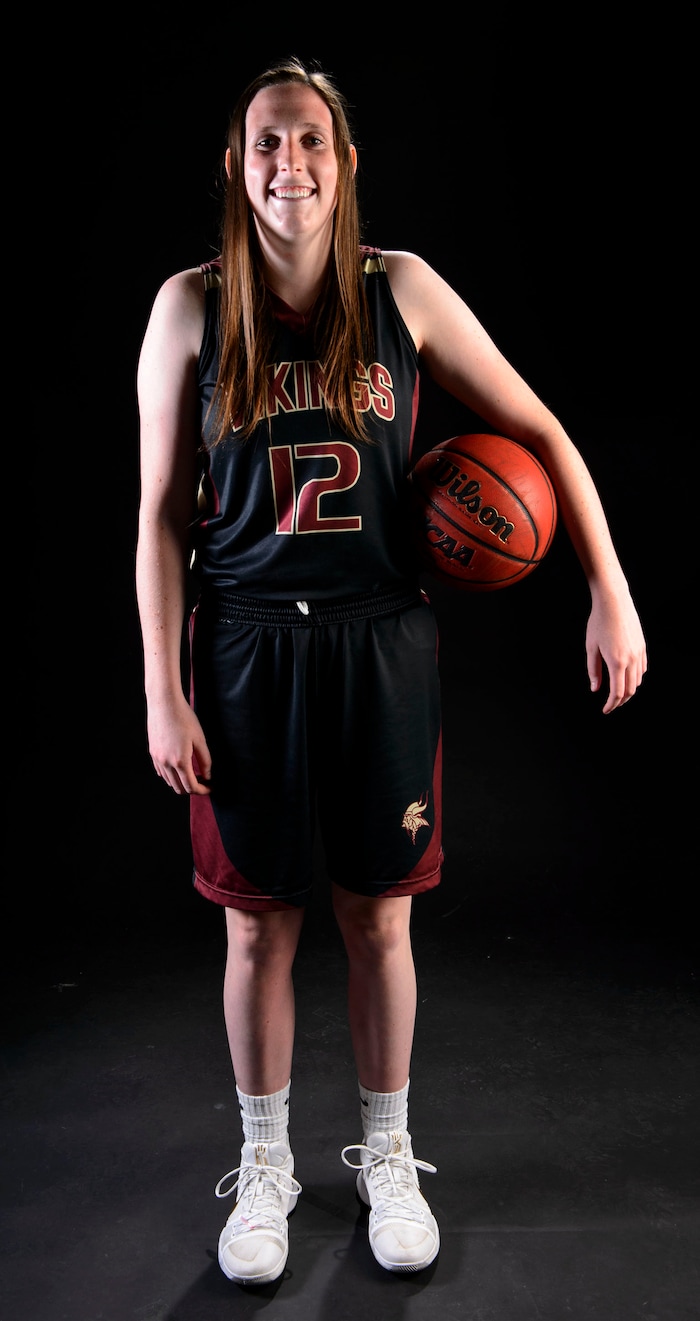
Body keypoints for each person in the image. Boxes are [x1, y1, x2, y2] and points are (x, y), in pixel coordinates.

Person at [135, 56, 647, 1288]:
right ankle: (265, 1166)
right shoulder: (191, 305)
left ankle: (385, 1150)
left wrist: (608, 590)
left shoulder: (400, 291)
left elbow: (542, 436)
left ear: (345, 161)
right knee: (258, 928)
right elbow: (158, 514)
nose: (286, 162)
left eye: (308, 139)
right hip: (246, 641)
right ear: (234, 161)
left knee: (377, 916)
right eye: (264, 141)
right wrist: (161, 684)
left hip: (379, 637)